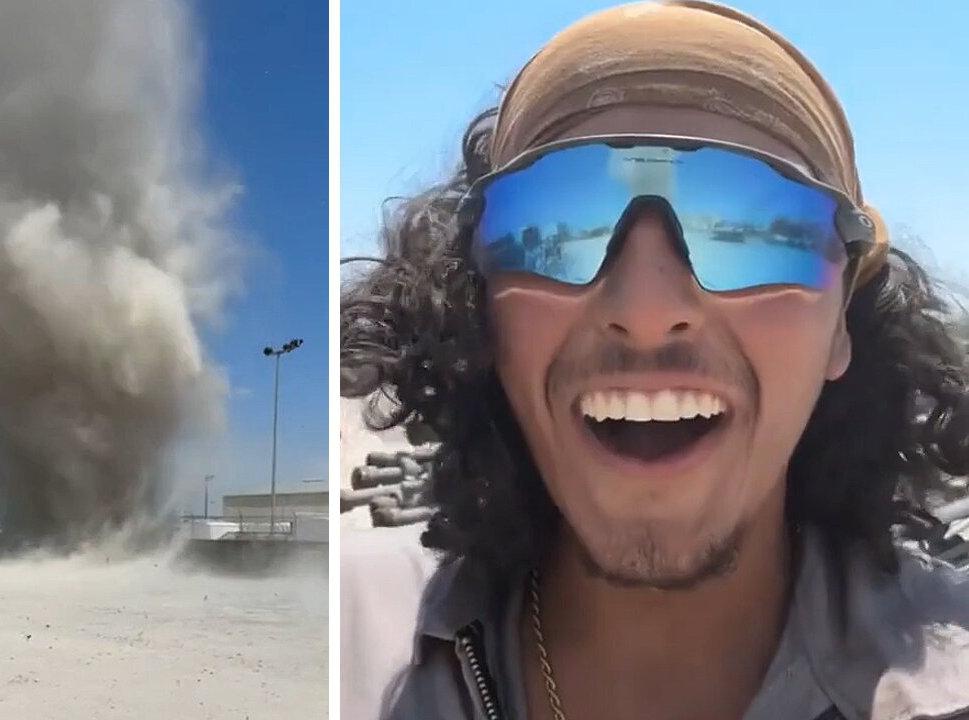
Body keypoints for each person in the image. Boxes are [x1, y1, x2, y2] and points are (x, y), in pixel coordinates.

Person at [339, 2, 969, 719]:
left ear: (838, 329)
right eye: (554, 227)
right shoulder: (344, 650)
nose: (643, 309)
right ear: (480, 309)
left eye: (754, 230)